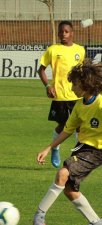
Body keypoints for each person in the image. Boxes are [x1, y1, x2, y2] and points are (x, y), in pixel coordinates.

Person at [35, 59, 102, 225]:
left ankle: (40, 213)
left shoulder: (100, 103)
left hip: (96, 150)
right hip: (84, 148)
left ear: (85, 85)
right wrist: (48, 148)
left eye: (75, 85)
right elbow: (67, 130)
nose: (72, 89)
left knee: (62, 173)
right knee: (69, 189)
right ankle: (96, 223)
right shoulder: (80, 105)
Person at [38, 21, 85, 168]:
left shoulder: (80, 50)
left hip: (77, 95)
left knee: (79, 125)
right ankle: (55, 149)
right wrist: (47, 85)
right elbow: (41, 69)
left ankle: (77, 157)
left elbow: (82, 72)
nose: (63, 34)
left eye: (66, 31)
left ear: (72, 33)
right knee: (63, 125)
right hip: (59, 95)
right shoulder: (53, 50)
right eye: (61, 32)